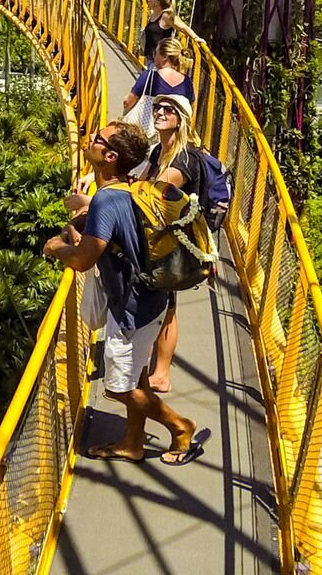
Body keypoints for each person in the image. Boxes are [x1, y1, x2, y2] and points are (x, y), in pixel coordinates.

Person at [47, 123, 200, 466]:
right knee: (138, 376)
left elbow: (83, 260)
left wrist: (56, 248)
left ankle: (180, 427)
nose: (90, 138)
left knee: (119, 388)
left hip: (134, 308)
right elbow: (106, 237)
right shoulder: (129, 188)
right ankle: (133, 443)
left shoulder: (105, 199)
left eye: (98, 139)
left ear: (110, 156)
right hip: (149, 298)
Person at [140, 93, 217, 393]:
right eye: (157, 108)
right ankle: (153, 368)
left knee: (167, 305)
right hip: (161, 238)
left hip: (177, 245)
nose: (159, 112)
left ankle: (161, 374)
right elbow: (140, 185)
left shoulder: (184, 158)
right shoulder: (159, 151)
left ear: (180, 120)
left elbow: (151, 192)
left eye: (168, 110)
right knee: (163, 303)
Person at [122, 38, 195, 122]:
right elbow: (189, 108)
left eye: (156, 53)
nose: (154, 56)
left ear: (164, 57)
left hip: (147, 127)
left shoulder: (149, 76)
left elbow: (128, 102)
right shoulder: (187, 82)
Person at [141, 0, 178, 65]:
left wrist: (195, 37)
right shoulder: (155, 14)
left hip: (159, 61)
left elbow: (183, 27)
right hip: (151, 58)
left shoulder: (166, 16)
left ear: (158, 2)